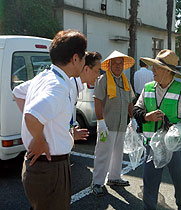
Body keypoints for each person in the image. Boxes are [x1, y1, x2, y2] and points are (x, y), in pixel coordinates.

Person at [15, 29, 87, 210]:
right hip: (50, 168)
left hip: (42, 167)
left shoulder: (45, 76)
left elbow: (18, 93)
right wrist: (39, 140)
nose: (85, 62)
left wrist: (43, 129)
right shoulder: (58, 85)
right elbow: (32, 116)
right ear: (75, 58)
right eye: (84, 57)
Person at [133, 49, 181, 210]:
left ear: (168, 71)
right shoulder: (148, 88)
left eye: (156, 67)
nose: (152, 70)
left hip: (175, 145)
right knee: (150, 182)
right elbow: (136, 110)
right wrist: (147, 116)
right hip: (152, 145)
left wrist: (178, 127)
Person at [13, 51, 102, 140]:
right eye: (97, 70)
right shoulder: (64, 85)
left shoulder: (70, 83)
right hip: (49, 151)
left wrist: (69, 132)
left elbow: (18, 91)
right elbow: (19, 94)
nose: (99, 75)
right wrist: (39, 137)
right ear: (86, 69)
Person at [91, 50, 136, 196]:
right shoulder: (103, 80)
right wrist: (100, 121)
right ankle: (97, 182)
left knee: (118, 153)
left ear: (123, 65)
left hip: (122, 124)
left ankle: (114, 177)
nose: (118, 66)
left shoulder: (125, 81)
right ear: (109, 65)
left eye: (120, 63)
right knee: (103, 153)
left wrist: (133, 117)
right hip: (107, 125)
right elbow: (97, 100)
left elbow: (130, 101)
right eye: (115, 63)